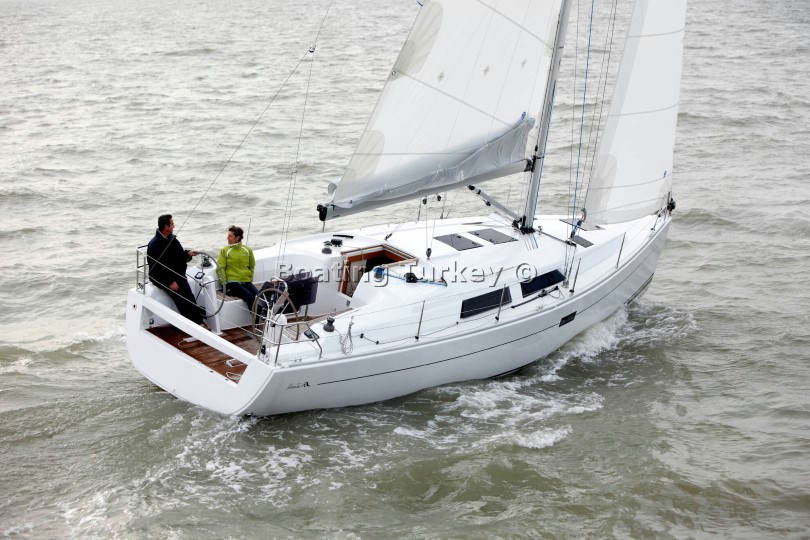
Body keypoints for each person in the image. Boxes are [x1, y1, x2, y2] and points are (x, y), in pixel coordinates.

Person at [146, 214, 205, 324]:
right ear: (166, 227)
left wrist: (188, 253)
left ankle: (199, 322)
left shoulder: (172, 239)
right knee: (182, 301)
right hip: (163, 279)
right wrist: (170, 282)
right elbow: (156, 269)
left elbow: (180, 255)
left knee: (190, 297)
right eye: (172, 224)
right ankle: (192, 325)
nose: (174, 226)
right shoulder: (154, 245)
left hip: (178, 275)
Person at [217, 225, 258, 312]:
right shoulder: (225, 250)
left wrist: (249, 278)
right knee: (250, 297)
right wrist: (224, 284)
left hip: (245, 281)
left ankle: (263, 317)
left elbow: (252, 266)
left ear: (237, 238)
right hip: (232, 282)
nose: (227, 238)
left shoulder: (247, 250)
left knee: (259, 296)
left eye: (230, 236)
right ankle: (256, 320)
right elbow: (220, 268)